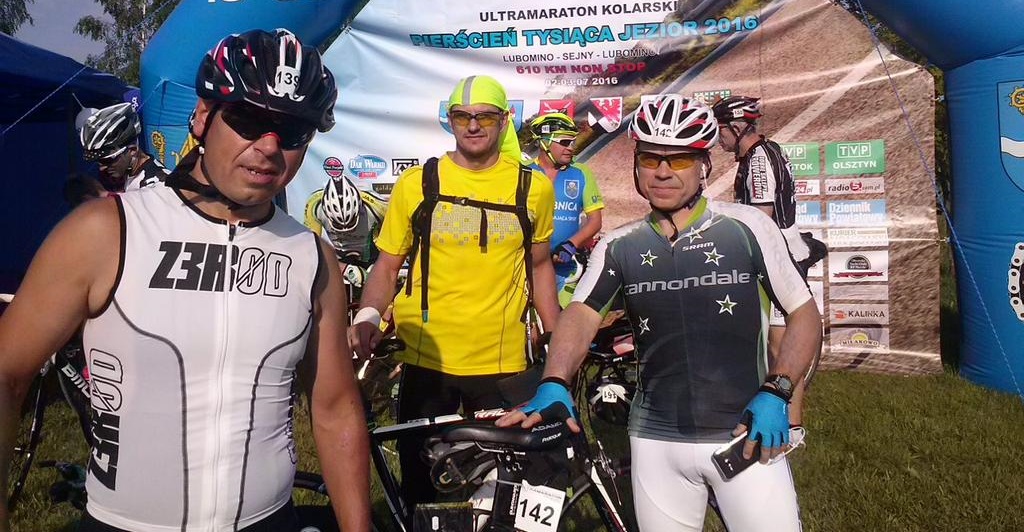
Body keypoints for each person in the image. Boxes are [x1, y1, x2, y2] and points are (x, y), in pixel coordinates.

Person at [0, 29, 370, 531]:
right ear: (202, 116)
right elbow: (7, 373)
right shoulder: (106, 232)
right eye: (248, 119)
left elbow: (334, 407)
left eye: (293, 131)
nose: (268, 147)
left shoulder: (312, 257)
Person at [498, 95, 822, 532]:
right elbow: (580, 315)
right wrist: (554, 380)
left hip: (744, 435)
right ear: (636, 165)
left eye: (679, 160)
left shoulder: (748, 227)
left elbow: (804, 315)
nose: (663, 172)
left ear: (704, 165)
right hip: (655, 446)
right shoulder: (620, 245)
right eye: (650, 159)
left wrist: (777, 391)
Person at [349, 74, 560, 509]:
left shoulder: (533, 187)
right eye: (462, 116)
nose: (473, 125)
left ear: (505, 120)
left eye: (485, 116)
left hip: (502, 363)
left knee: (510, 489)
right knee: (423, 489)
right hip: (428, 360)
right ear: (450, 120)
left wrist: (557, 339)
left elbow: (540, 266)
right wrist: (368, 315)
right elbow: (387, 264)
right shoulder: (418, 183)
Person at [712, 95, 825, 426]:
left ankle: (792, 426)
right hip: (781, 251)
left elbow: (761, 217)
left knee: (781, 351)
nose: (718, 139)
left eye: (721, 130)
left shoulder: (759, 159)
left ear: (736, 127)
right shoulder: (765, 151)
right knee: (773, 349)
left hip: (778, 257)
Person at [526, 112, 604, 302]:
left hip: (566, 268)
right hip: (526, 267)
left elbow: (595, 221)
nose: (571, 147)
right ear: (544, 142)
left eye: (573, 142)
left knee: (564, 320)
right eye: (565, 142)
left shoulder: (581, 172)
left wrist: (571, 245)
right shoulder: (523, 171)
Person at [303, 174, 389, 289]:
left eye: (352, 222)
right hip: (339, 256)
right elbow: (310, 251)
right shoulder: (314, 205)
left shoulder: (379, 206)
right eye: (337, 225)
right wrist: (344, 269)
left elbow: (395, 240)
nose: (345, 230)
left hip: (371, 253)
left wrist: (382, 265)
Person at [79, 102, 169, 192]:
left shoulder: (157, 185)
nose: (101, 168)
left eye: (107, 160)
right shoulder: (133, 173)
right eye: (98, 162)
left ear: (132, 150)